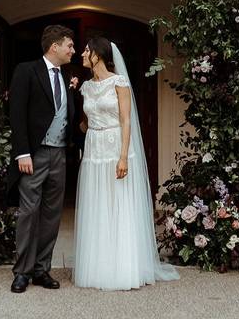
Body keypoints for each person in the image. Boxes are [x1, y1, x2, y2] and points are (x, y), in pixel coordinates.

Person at [73, 36, 179, 290]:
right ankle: (98, 266)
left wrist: (123, 156)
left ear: (98, 54)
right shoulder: (86, 87)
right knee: (97, 203)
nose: (83, 54)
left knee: (118, 202)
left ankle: (123, 267)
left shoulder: (119, 83)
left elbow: (126, 121)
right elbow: (85, 122)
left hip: (116, 145)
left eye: (87, 50)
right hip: (94, 149)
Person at [7, 25, 77, 294]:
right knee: (28, 212)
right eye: (69, 45)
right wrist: (22, 152)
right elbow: (17, 113)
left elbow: (66, 113)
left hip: (59, 154)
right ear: (54, 46)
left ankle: (41, 269)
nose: (72, 50)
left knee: (51, 214)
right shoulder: (27, 71)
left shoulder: (67, 75)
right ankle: (22, 271)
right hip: (34, 155)